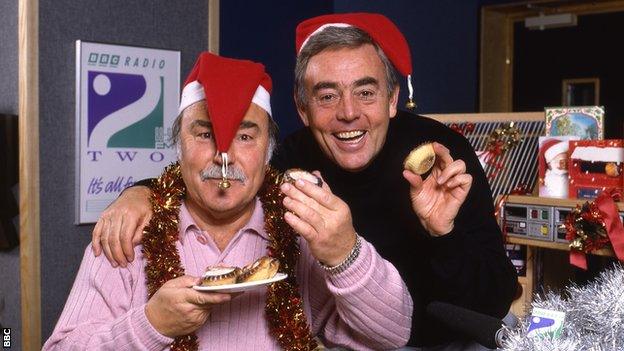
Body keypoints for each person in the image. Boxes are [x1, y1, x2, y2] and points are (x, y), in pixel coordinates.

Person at [91, 13, 518, 348]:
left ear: (391, 100)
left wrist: (443, 236)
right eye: (327, 95)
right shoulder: (288, 157)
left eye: (366, 92)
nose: (348, 112)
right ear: (302, 108)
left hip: (458, 337)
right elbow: (221, 172)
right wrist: (141, 190)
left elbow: (496, 300)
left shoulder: (442, 155)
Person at [44, 52, 413, 350]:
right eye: (205, 134)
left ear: (269, 152)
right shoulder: (127, 233)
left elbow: (392, 335)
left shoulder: (301, 231)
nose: (224, 158)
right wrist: (150, 325)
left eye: (246, 138)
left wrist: (344, 252)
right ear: (178, 147)